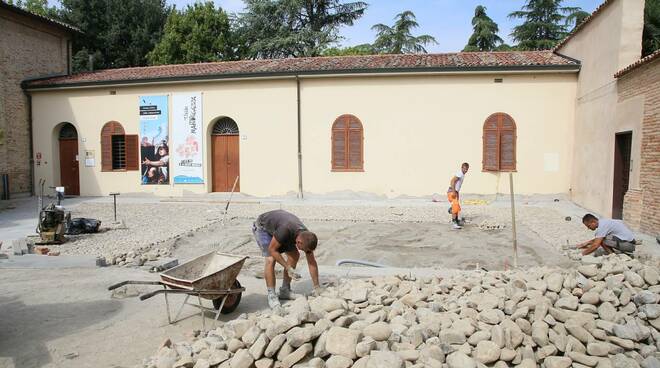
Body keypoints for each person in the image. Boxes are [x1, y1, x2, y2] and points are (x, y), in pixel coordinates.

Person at [252, 210, 320, 308]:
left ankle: (285, 290)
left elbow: (311, 262)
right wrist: (288, 267)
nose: (304, 251)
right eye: (304, 250)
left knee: (294, 255)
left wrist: (316, 286)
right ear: (299, 242)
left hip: (280, 228)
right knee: (271, 259)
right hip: (263, 227)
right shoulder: (285, 230)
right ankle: (271, 295)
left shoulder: (307, 237)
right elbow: (272, 250)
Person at [447, 163, 469, 229]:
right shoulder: (460, 174)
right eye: (464, 169)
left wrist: (457, 193)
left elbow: (457, 187)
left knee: (456, 207)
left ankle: (456, 220)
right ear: (461, 168)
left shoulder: (462, 174)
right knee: (455, 207)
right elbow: (452, 181)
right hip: (451, 192)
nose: (465, 170)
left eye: (467, 169)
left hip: (455, 192)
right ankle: (454, 223)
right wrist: (453, 192)